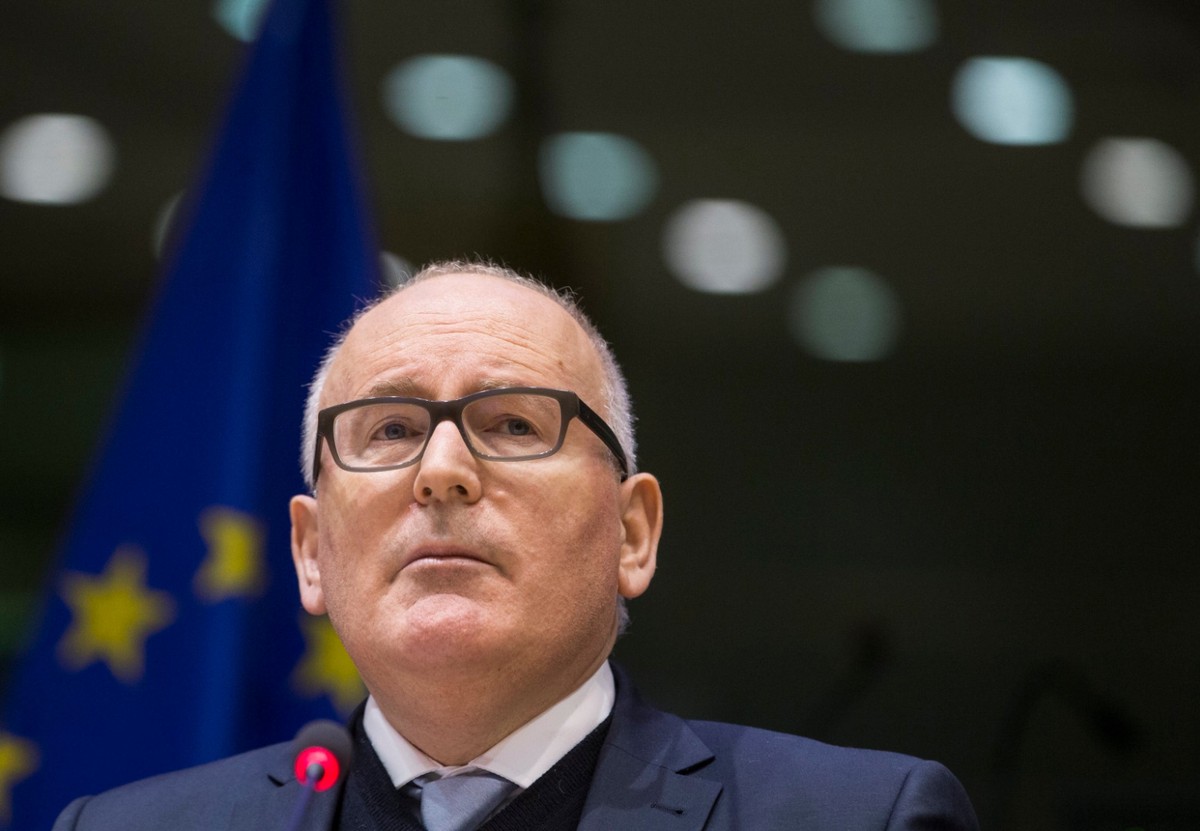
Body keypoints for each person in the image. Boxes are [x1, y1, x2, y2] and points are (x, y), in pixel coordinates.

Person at [53, 261, 979, 830]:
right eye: (388, 429)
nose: (441, 471)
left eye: (512, 424)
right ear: (309, 551)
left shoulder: (861, 818)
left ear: (632, 532)